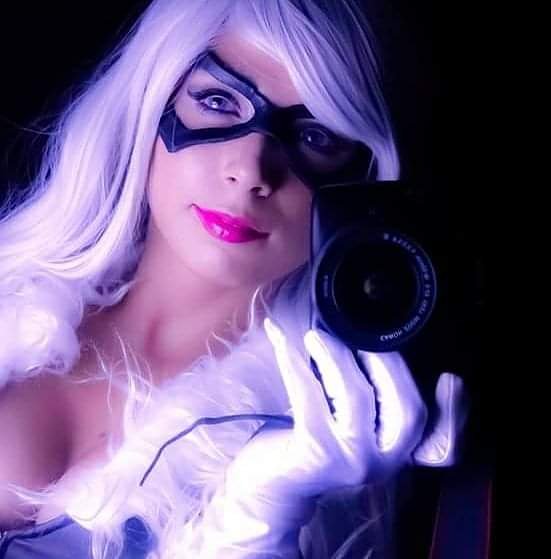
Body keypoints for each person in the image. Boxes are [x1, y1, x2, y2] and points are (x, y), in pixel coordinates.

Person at [0, 1, 467, 557]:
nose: (249, 171)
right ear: (152, 100)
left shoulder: (326, 435)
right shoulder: (14, 296)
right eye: (219, 102)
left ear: (364, 176)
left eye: (317, 136)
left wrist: (252, 526)